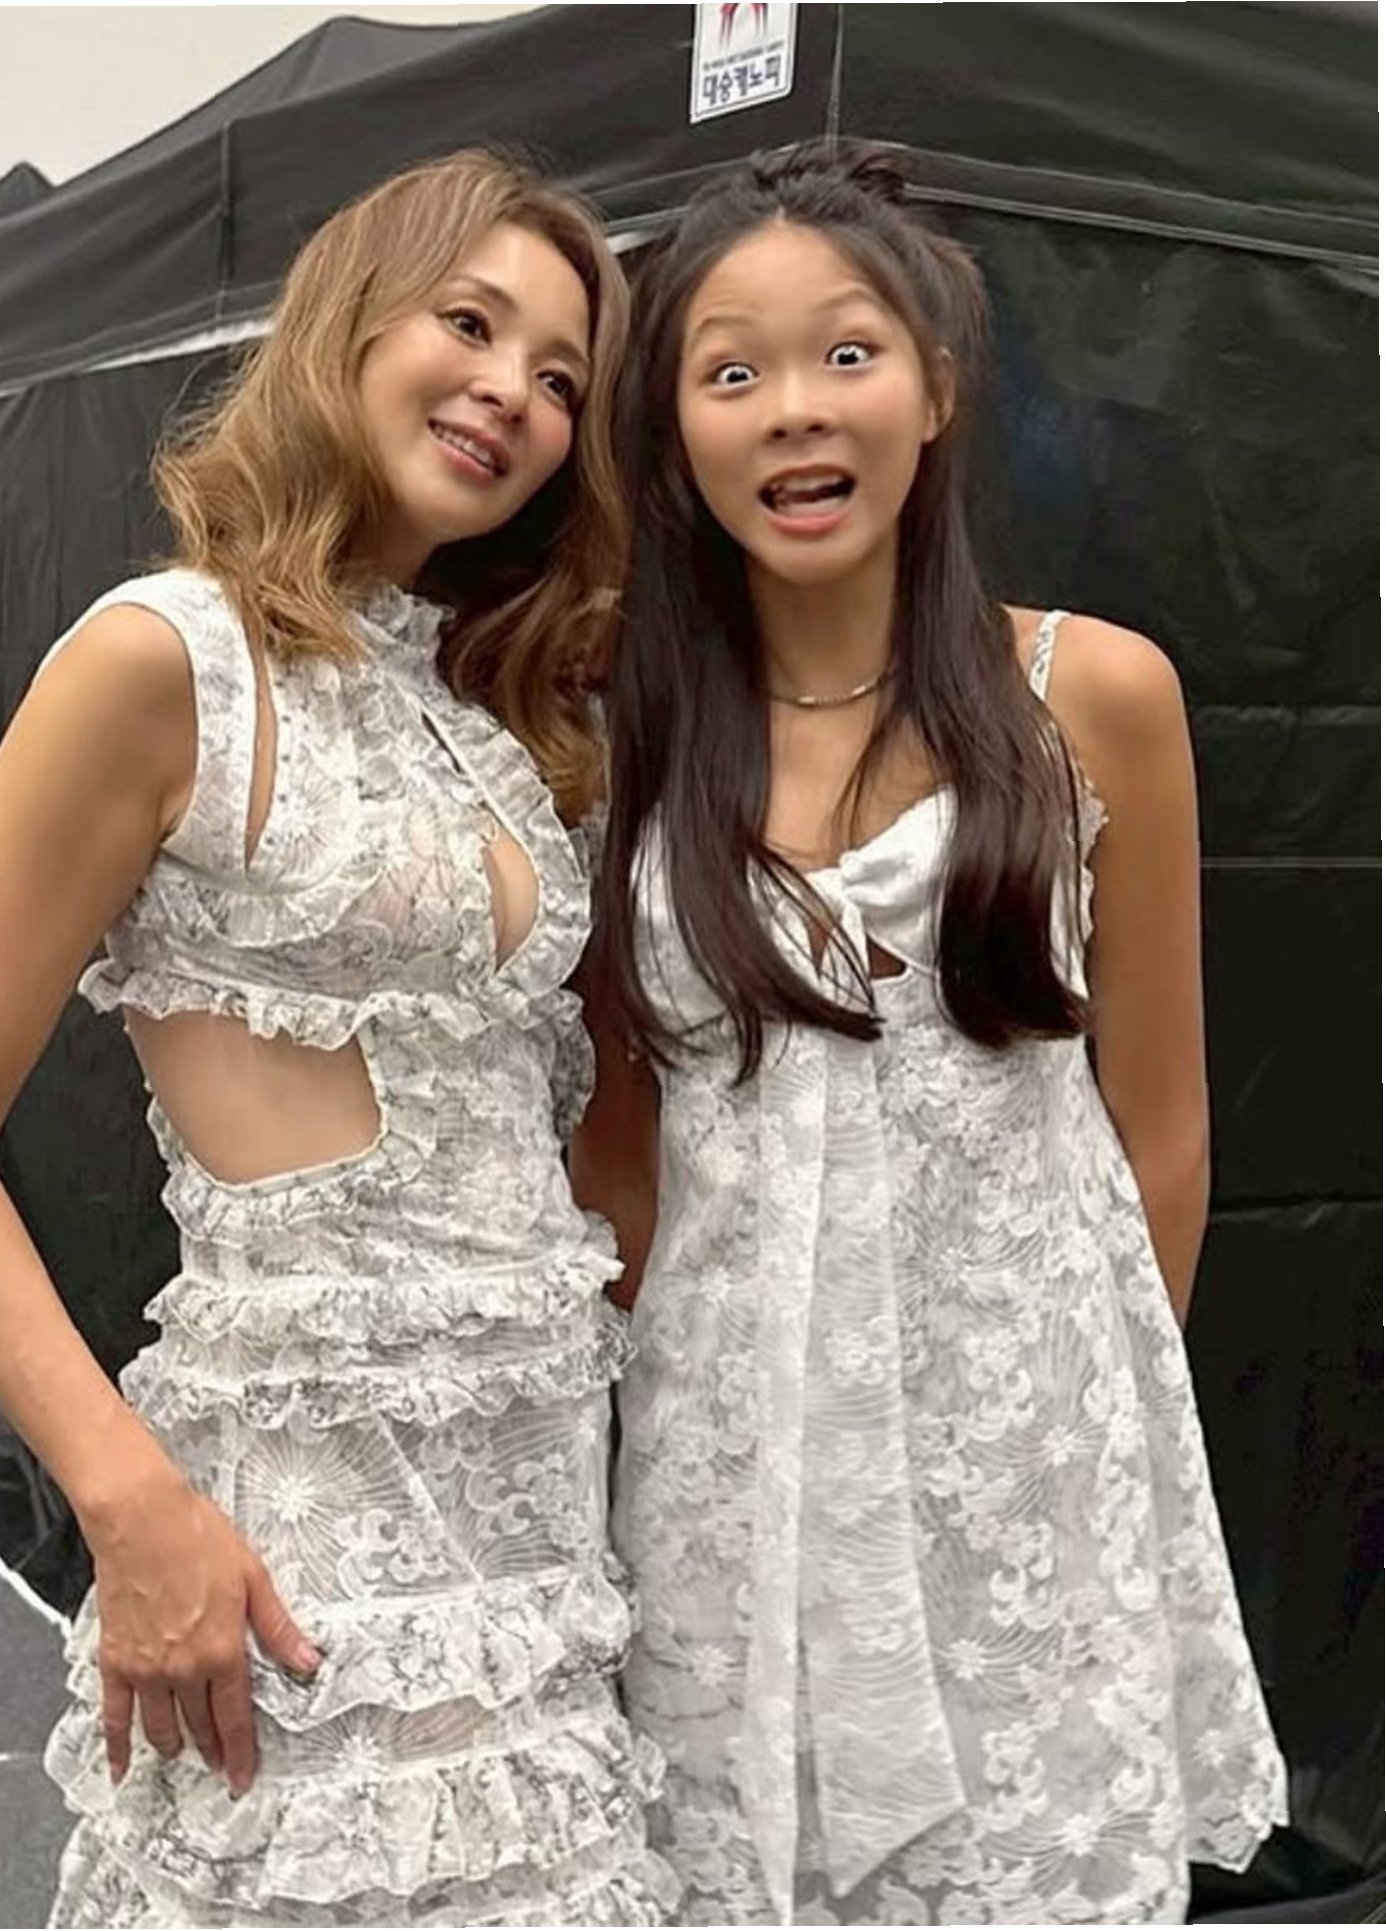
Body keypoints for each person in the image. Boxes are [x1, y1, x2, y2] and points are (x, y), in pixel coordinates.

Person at [0, 149, 679, 1929]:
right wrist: (127, 1503)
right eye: (470, 324)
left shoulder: (496, 710)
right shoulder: (163, 660)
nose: (511, 394)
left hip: (532, 1490)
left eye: (559, 379)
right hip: (292, 1500)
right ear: (347, 324)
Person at [576, 143, 1287, 1927]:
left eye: (847, 352)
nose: (794, 411)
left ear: (937, 388)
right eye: (729, 371)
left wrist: (1076, 1438)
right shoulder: (619, 743)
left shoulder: (1090, 696)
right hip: (729, 1469)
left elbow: (1162, 1124)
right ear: (673, 428)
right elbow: (620, 1147)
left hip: (1016, 1468)